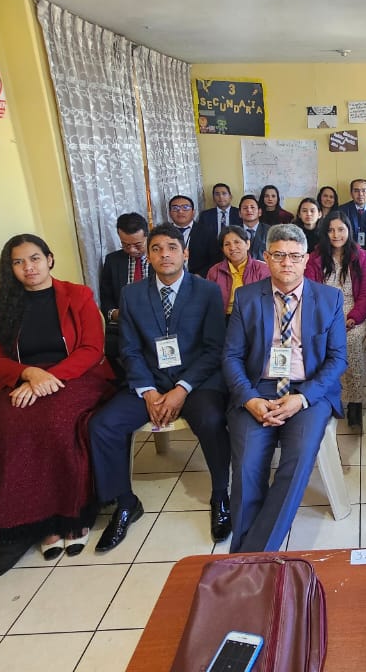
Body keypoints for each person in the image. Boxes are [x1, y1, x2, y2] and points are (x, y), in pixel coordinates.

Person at [0, 234, 114, 561]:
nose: (28, 267)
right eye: (18, 262)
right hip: (24, 379)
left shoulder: (77, 296)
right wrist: (30, 375)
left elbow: (92, 348)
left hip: (76, 375)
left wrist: (48, 378)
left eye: (34, 258)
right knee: (10, 422)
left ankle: (74, 514)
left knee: (58, 421)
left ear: (49, 259)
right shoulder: (3, 305)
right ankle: (39, 520)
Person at [89, 224, 231, 550]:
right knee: (103, 425)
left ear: (185, 253)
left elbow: (214, 349)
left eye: (171, 247)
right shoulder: (132, 294)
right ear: (148, 256)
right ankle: (125, 502)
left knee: (211, 419)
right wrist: (149, 391)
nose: (164, 254)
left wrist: (181, 388)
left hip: (196, 381)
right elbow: (129, 349)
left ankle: (220, 494)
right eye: (156, 249)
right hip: (149, 381)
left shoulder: (207, 291)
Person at [224, 224, 346, 552]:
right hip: (259, 388)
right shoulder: (247, 297)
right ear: (265, 257)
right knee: (247, 463)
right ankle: (249, 555)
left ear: (306, 259)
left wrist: (302, 398)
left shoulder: (329, 298)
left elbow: (338, 359)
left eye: (294, 256)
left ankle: (251, 556)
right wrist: (249, 399)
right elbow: (231, 357)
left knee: (298, 458)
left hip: (309, 391)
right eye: (278, 255)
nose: (286, 263)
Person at [305, 212, 366, 430]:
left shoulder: (360, 256)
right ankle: (327, 395)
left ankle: (354, 401)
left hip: (354, 313)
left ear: (349, 231)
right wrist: (327, 320)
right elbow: (311, 293)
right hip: (324, 314)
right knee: (319, 342)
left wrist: (353, 317)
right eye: (331, 230)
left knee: (351, 341)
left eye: (341, 229)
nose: (336, 235)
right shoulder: (315, 258)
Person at [99, 212, 150, 380]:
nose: (132, 250)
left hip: (155, 323)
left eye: (137, 245)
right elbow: (106, 297)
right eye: (126, 245)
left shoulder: (161, 259)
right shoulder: (113, 260)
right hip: (124, 323)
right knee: (104, 346)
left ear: (147, 236)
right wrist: (115, 313)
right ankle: (126, 382)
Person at [206, 226, 271, 316]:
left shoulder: (262, 269)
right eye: (227, 244)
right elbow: (208, 301)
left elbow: (268, 302)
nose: (232, 248)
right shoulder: (214, 271)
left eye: (237, 242)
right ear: (222, 249)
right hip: (223, 318)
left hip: (253, 318)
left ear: (247, 244)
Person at [192, 183, 239, 276]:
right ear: (213, 198)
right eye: (217, 194)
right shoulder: (205, 215)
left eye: (224, 193)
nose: (220, 197)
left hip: (233, 249)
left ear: (230, 197)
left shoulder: (239, 213)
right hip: (211, 253)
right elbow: (200, 236)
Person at [239, 195, 270, 260]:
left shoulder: (269, 231)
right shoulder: (234, 232)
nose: (249, 210)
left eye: (252, 207)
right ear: (240, 214)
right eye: (245, 208)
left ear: (260, 212)